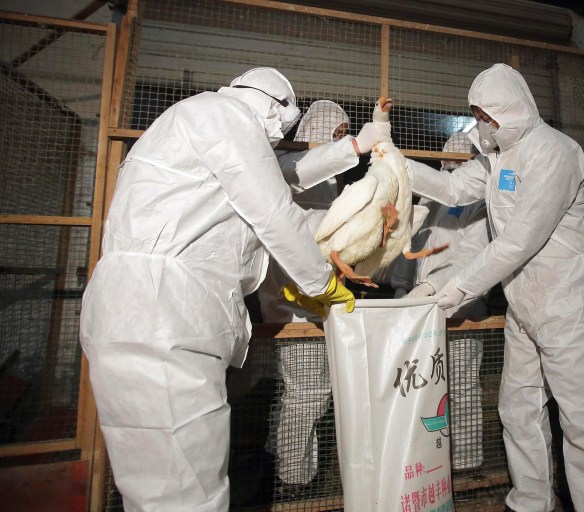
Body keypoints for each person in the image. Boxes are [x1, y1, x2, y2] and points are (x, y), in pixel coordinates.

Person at [77, 67, 385, 512]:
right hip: (164, 317)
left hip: (138, 313)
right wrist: (322, 284)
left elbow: (284, 172)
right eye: (286, 121)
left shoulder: (201, 121)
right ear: (274, 105)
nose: (284, 133)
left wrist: (352, 147)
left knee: (156, 486)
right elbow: (274, 209)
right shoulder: (224, 117)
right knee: (186, 492)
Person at [406, 64, 584, 511]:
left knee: (582, 419)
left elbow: (519, 240)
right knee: (517, 408)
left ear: (507, 109)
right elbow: (450, 188)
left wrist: (451, 291)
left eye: (484, 114)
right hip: (523, 304)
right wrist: (397, 165)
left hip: (567, 304)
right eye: (476, 115)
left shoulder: (554, 152)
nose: (480, 123)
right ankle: (530, 501)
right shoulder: (497, 158)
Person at [256, 100, 358, 490]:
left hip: (312, 309)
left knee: (300, 391)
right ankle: (293, 477)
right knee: (308, 393)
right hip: (297, 311)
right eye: (336, 133)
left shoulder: (327, 187)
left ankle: (277, 453)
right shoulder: (291, 175)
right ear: (316, 130)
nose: (342, 141)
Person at [392, 131, 489, 471]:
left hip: (462, 309)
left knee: (461, 386)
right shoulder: (433, 200)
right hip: (423, 313)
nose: (450, 167)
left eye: (459, 161)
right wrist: (402, 286)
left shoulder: (479, 203)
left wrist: (433, 287)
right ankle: (431, 461)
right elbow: (413, 245)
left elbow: (472, 256)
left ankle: (465, 462)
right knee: (428, 387)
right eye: (448, 160)